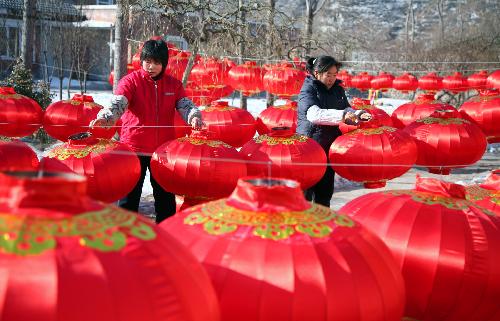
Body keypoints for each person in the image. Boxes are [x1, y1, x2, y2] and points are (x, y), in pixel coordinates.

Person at [90, 39, 202, 223]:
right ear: (141, 60)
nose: (151, 66)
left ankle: (164, 234)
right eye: (147, 61)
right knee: (129, 198)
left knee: (165, 199)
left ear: (164, 64)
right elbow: (118, 103)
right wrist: (107, 117)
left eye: (156, 63)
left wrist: (194, 116)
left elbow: (185, 105)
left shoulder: (173, 85)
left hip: (163, 152)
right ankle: (126, 235)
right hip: (134, 148)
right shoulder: (130, 82)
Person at [297, 55, 371, 207]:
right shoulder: (308, 89)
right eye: (328, 75)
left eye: (334, 75)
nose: (331, 78)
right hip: (309, 147)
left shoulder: (337, 89)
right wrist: (343, 115)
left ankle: (323, 225)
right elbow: (313, 115)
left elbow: (346, 107)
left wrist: (357, 114)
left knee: (325, 192)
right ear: (317, 73)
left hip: (329, 146)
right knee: (305, 192)